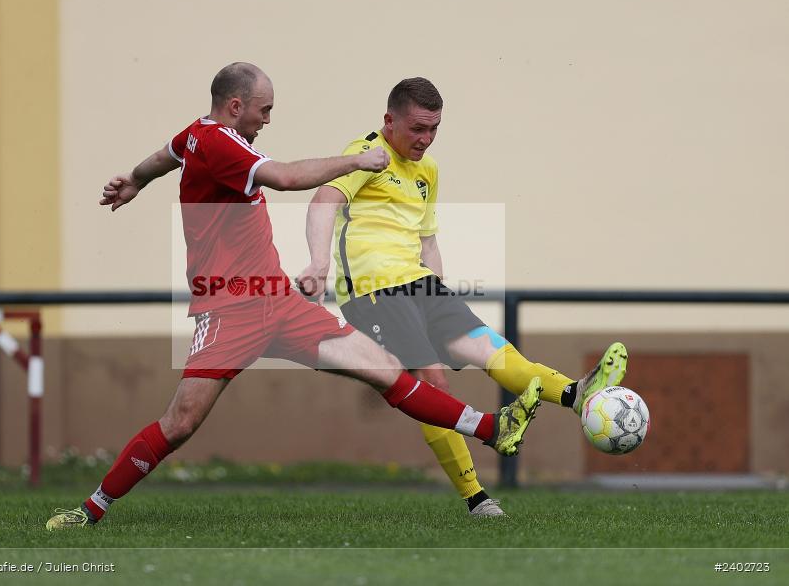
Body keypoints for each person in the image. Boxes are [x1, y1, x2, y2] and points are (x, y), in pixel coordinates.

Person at [46, 63, 543, 530]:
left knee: (388, 371)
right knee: (180, 424)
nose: (267, 120)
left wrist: (134, 179)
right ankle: (91, 509)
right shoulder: (222, 143)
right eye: (265, 110)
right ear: (236, 105)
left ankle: (491, 428)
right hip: (229, 307)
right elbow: (284, 178)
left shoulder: (195, 133)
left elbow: (164, 156)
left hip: (278, 301)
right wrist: (357, 160)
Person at [296, 77, 628, 517]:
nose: (425, 139)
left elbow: (427, 241)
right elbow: (322, 201)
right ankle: (476, 497)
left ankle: (575, 394)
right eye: (417, 128)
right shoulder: (367, 152)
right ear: (389, 121)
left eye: (434, 128)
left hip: (420, 285)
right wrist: (318, 263)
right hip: (374, 291)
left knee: (490, 347)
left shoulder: (428, 170)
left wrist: (438, 293)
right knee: (434, 382)